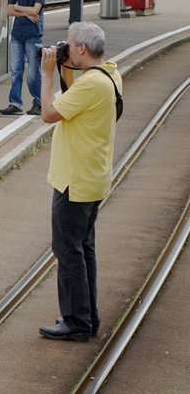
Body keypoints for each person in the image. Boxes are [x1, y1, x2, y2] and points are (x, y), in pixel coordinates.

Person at [37, 21, 121, 342]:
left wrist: (47, 74)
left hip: (74, 181)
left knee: (67, 250)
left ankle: (76, 323)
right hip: (92, 179)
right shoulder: (109, 75)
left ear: (82, 50)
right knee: (84, 249)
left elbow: (48, 113)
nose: (66, 49)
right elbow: (74, 97)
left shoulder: (92, 86)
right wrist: (65, 66)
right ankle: (88, 317)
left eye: (70, 46)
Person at [0, 0, 47, 116]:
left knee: (34, 72)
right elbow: (8, 11)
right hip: (17, 34)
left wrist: (19, 8)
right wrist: (27, 13)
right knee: (16, 70)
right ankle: (15, 103)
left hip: (33, 35)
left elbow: (36, 11)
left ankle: (39, 102)